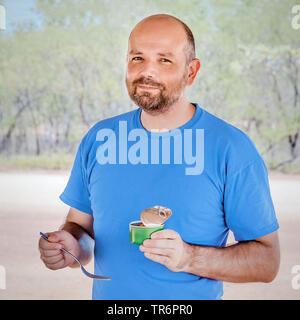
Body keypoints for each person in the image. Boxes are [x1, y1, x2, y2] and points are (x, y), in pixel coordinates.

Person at [38, 14, 280, 300]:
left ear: (191, 72)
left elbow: (267, 263)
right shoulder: (100, 139)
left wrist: (189, 258)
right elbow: (81, 228)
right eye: (137, 58)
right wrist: (71, 246)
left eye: (164, 60)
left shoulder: (230, 148)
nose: (146, 71)